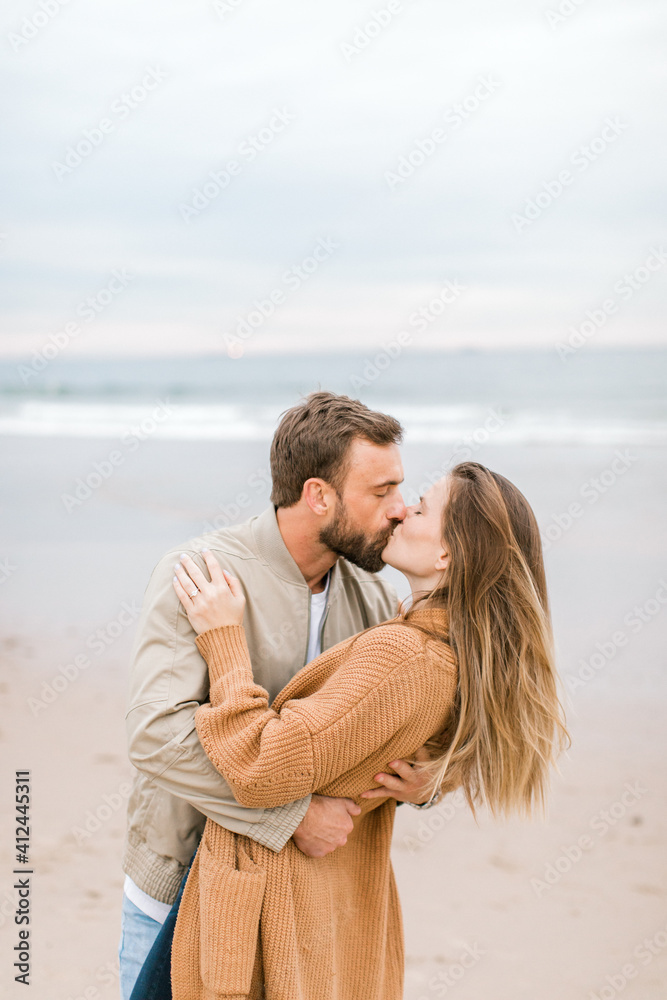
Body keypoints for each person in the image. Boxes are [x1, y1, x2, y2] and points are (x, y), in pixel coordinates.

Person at [169, 461, 569, 999]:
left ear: (447, 555)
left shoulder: (403, 655)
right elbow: (440, 741)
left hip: (278, 910)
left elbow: (263, 766)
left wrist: (224, 640)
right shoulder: (455, 654)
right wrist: (435, 779)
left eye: (422, 507)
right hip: (339, 906)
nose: (402, 509)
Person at [119, 392, 432, 999]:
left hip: (302, 902)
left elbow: (392, 732)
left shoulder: (370, 596)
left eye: (402, 489)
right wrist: (293, 819)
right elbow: (156, 737)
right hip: (181, 884)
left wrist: (429, 780)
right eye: (381, 490)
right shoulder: (201, 573)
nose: (400, 509)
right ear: (319, 495)